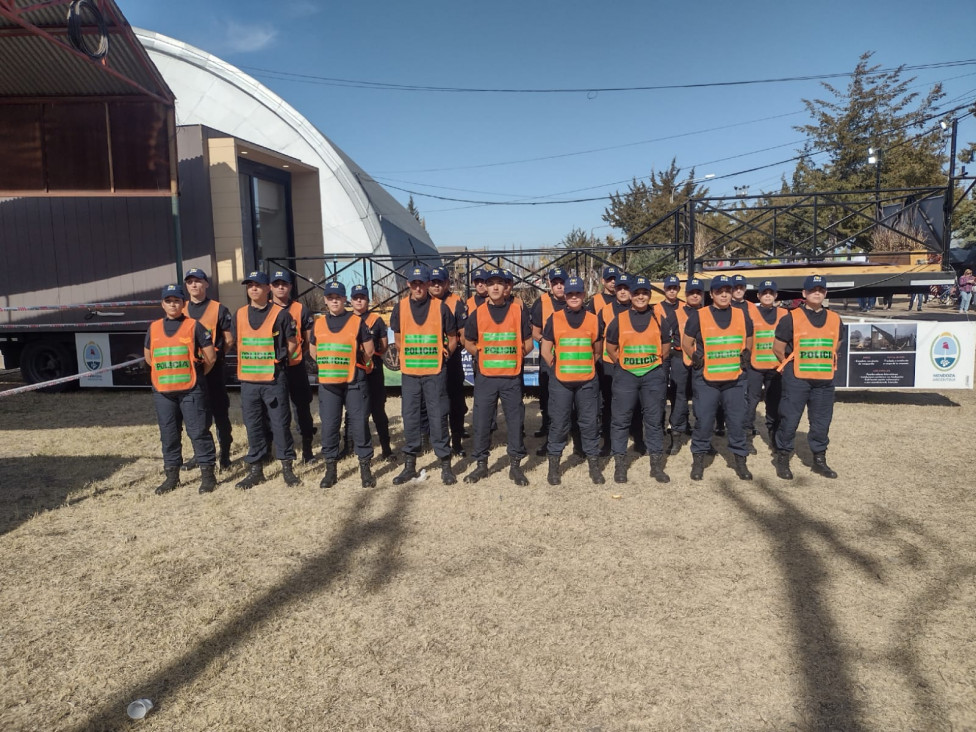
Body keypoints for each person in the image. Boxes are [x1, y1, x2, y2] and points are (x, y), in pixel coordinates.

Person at [463, 268, 534, 486]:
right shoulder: (477, 313)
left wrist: (514, 357)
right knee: (482, 421)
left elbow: (529, 343)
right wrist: (482, 355)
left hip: (511, 377)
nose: (494, 287)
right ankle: (481, 465)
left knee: (515, 422)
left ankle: (515, 466)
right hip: (485, 377)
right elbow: (468, 342)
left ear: (506, 288)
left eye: (499, 283)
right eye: (490, 283)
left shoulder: (517, 312)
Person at [145, 284, 218, 495]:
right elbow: (150, 358)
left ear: (183, 304)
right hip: (163, 391)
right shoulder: (154, 328)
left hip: (191, 389)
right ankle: (171, 477)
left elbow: (210, 357)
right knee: (168, 435)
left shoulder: (195, 326)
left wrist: (196, 374)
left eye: (176, 300)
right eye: (168, 301)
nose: (172, 304)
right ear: (162, 304)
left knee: (198, 432)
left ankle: (207, 476)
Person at [389, 264, 458, 485]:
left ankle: (446, 465)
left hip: (435, 373)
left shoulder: (441, 308)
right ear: (408, 285)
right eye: (414, 284)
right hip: (410, 374)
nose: (418, 288)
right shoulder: (400, 307)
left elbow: (453, 337)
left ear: (428, 284)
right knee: (410, 418)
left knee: (438, 418)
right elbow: (398, 338)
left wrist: (445, 355)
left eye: (422, 283)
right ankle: (409, 466)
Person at [231, 270, 301, 490]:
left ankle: (287, 468)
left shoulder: (280, 314)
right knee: (253, 425)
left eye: (258, 285)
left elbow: (292, 342)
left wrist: (280, 361)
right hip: (249, 381)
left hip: (273, 379)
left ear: (267, 289)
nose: (253, 289)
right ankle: (256, 469)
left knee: (280, 423)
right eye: (249, 285)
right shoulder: (240, 314)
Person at [681, 274, 754, 482]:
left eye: (727, 291)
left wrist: (746, 354)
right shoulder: (699, 315)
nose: (724, 294)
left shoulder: (742, 314)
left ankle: (740, 461)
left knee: (737, 422)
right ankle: (698, 461)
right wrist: (696, 358)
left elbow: (749, 338)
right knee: (703, 422)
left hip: (735, 379)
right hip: (706, 380)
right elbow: (686, 342)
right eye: (719, 291)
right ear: (712, 294)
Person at [773, 274, 843, 480]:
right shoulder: (791, 317)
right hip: (797, 378)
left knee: (821, 422)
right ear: (804, 294)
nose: (817, 293)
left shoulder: (835, 318)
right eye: (813, 290)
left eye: (821, 290)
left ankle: (819, 460)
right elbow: (778, 348)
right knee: (789, 420)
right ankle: (783, 458)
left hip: (824, 380)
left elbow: (836, 344)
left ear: (825, 293)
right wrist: (792, 364)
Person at [604, 276, 671, 484]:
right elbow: (611, 348)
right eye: (637, 293)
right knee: (621, 420)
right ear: (631, 295)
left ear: (649, 295)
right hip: (626, 375)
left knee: (654, 420)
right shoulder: (619, 319)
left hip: (653, 375)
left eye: (645, 293)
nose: (641, 296)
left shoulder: (660, 318)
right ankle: (620, 465)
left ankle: (656, 466)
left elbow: (666, 346)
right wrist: (625, 364)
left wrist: (653, 364)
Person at [540, 276, 604, 486]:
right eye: (570, 294)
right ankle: (554, 468)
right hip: (561, 382)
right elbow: (546, 348)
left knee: (589, 424)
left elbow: (597, 350)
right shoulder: (554, 318)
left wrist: (586, 366)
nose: (574, 297)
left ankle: (594, 467)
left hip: (587, 381)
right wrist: (554, 367)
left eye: (578, 294)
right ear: (565, 296)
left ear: (584, 295)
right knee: (558, 424)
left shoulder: (594, 319)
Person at [312, 281, 376, 488]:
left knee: (359, 425)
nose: (334, 301)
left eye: (338, 297)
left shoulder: (357, 322)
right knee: (330, 426)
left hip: (354, 381)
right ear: (325, 300)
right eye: (330, 298)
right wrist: (328, 363)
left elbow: (369, 349)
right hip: (329, 383)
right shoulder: (319, 323)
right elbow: (313, 350)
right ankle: (330, 470)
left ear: (344, 299)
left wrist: (357, 365)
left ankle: (365, 469)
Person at [182, 268, 233, 470]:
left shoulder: (219, 309)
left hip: (213, 370)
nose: (194, 285)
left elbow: (229, 339)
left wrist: (215, 357)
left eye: (198, 281)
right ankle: (201, 454)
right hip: (190, 372)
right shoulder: (181, 309)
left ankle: (226, 455)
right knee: (197, 415)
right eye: (190, 282)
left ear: (206, 284)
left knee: (220, 413)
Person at [270, 269, 317, 463]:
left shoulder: (300, 309)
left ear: (290, 286)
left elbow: (307, 340)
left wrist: (295, 356)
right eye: (277, 283)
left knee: (302, 407)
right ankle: (275, 448)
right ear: (270, 286)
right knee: (276, 409)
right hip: (272, 369)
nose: (281, 287)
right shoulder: (265, 309)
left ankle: (307, 449)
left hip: (296, 367)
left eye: (285, 283)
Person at [591, 272, 635, 455]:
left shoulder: (640, 308)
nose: (623, 291)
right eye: (620, 288)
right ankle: (608, 442)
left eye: (626, 288)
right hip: (610, 364)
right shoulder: (606, 310)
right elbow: (597, 336)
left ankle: (638, 439)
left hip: (634, 364)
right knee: (608, 403)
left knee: (636, 403)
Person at [350, 284, 394, 460]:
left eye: (362, 297)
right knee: (354, 411)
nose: (359, 300)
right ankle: (351, 447)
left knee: (378, 410)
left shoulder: (376, 320)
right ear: (351, 300)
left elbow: (383, 347)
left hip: (373, 368)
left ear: (368, 300)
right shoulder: (347, 319)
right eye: (356, 297)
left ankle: (386, 448)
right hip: (353, 369)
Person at [743, 279, 787, 453]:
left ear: (776, 295)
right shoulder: (751, 313)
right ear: (759, 295)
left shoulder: (785, 314)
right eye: (764, 293)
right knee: (750, 402)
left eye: (771, 293)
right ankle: (747, 437)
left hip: (776, 368)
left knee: (774, 403)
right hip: (754, 366)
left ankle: (774, 438)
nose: (768, 296)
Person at [429, 266, 469, 456]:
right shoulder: (423, 303)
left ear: (447, 283)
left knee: (455, 402)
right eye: (433, 282)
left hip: (451, 361)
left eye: (440, 282)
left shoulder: (456, 303)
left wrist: (447, 352)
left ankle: (457, 440)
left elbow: (461, 334)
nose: (437, 285)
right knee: (432, 403)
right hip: (428, 364)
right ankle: (430, 438)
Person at [666, 277, 704, 455]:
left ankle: (702, 436)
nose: (695, 296)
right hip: (680, 359)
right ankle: (676, 436)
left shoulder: (708, 313)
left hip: (703, 361)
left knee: (702, 399)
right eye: (691, 292)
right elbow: (666, 335)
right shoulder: (676, 313)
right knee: (679, 398)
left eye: (698, 293)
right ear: (686, 294)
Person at [530, 268, 568, 444]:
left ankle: (570, 428)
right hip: (549, 358)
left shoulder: (575, 301)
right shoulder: (541, 303)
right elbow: (535, 332)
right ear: (550, 285)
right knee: (547, 395)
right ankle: (546, 426)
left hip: (571, 359)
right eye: (555, 283)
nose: (559, 287)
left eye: (562, 283)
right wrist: (548, 342)